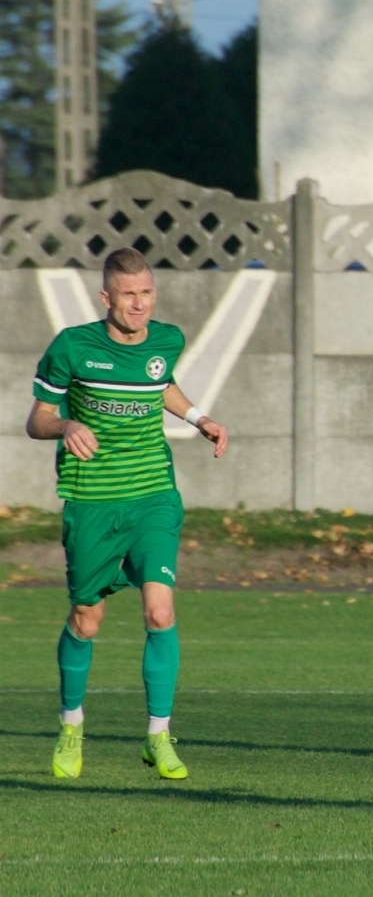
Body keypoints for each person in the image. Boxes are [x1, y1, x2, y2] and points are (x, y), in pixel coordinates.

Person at [27, 248, 229, 781]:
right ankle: (72, 727)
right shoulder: (72, 348)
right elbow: (37, 420)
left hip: (153, 496)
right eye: (128, 295)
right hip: (92, 502)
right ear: (106, 298)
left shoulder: (167, 340)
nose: (139, 305)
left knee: (160, 613)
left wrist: (199, 417)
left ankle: (158, 737)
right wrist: (66, 426)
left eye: (146, 293)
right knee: (85, 620)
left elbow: (159, 383)